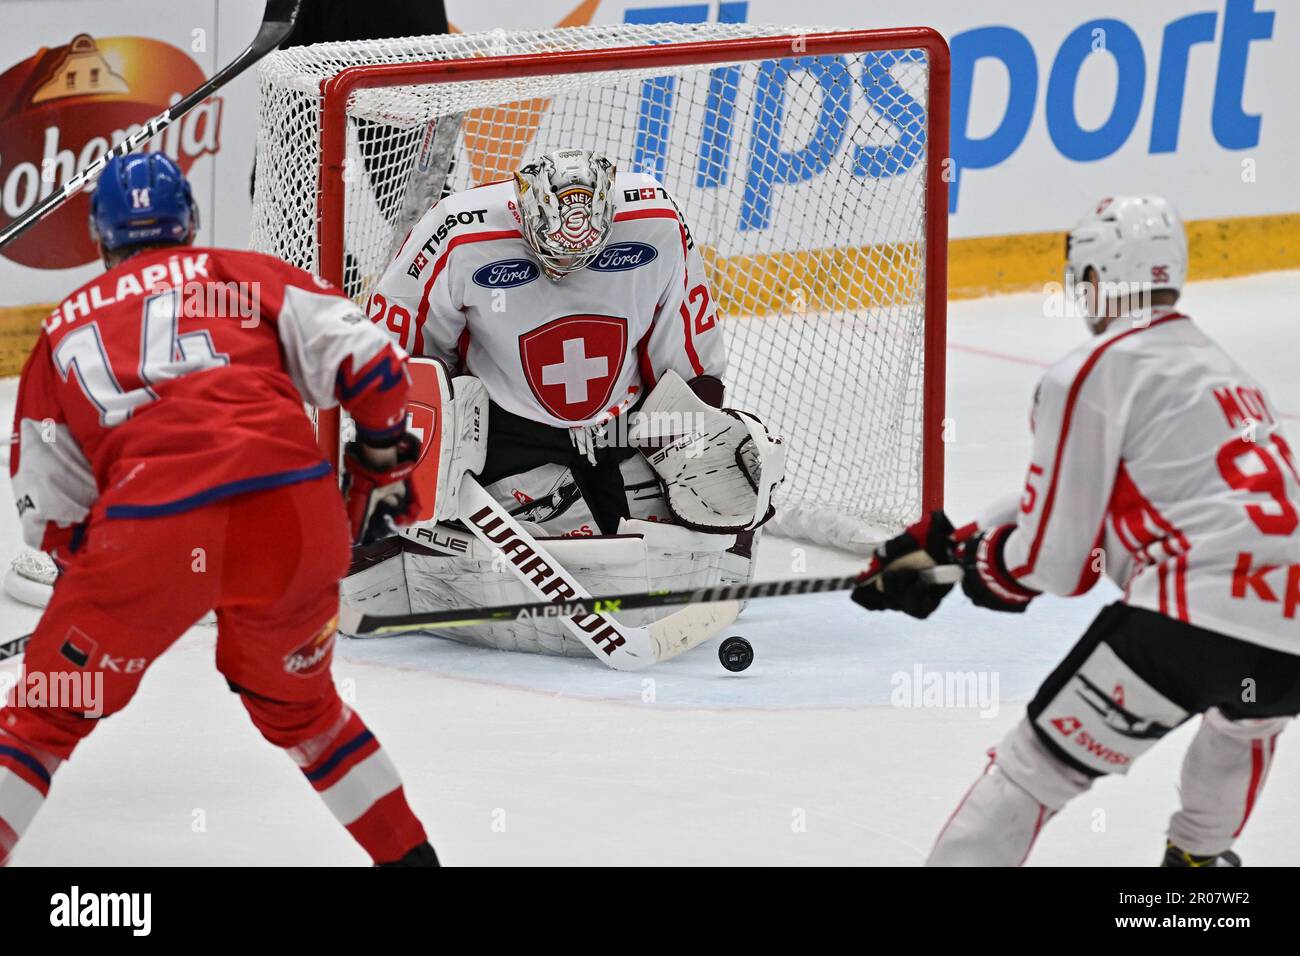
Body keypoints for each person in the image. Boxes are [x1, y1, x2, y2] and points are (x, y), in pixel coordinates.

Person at [2, 152, 435, 866]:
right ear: (191, 222)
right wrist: (382, 455)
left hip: (146, 528)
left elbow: (48, 515)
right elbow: (375, 367)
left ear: (99, 237)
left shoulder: (60, 332)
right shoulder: (245, 275)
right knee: (309, 715)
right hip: (292, 514)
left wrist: (115, 590)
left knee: (40, 719)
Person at [854, 195, 1300, 866]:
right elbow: (1112, 506)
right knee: (1247, 724)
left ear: (1095, 278)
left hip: (1188, 625)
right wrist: (957, 543)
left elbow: (1057, 563)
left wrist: (984, 570)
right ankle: (1198, 874)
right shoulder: (1226, 374)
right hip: (1292, 634)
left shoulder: (1091, 371)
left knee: (1034, 772)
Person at [350, 148, 785, 659]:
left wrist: (701, 447)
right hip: (506, 434)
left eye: (586, 256)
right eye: (552, 254)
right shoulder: (457, 231)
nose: (567, 268)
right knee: (571, 565)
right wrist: (424, 460)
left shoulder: (656, 222)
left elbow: (687, 352)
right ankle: (386, 549)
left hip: (624, 429)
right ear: (524, 212)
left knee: (716, 485)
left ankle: (723, 544)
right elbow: (404, 350)